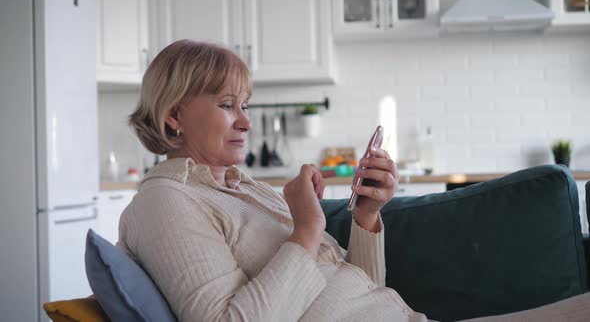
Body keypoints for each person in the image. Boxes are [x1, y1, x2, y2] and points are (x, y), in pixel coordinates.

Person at [120, 39, 590, 322]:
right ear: (174, 115)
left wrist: (365, 217)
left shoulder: (241, 188)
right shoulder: (165, 201)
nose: (245, 122)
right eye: (227, 105)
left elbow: (357, 290)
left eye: (246, 105)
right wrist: (306, 230)